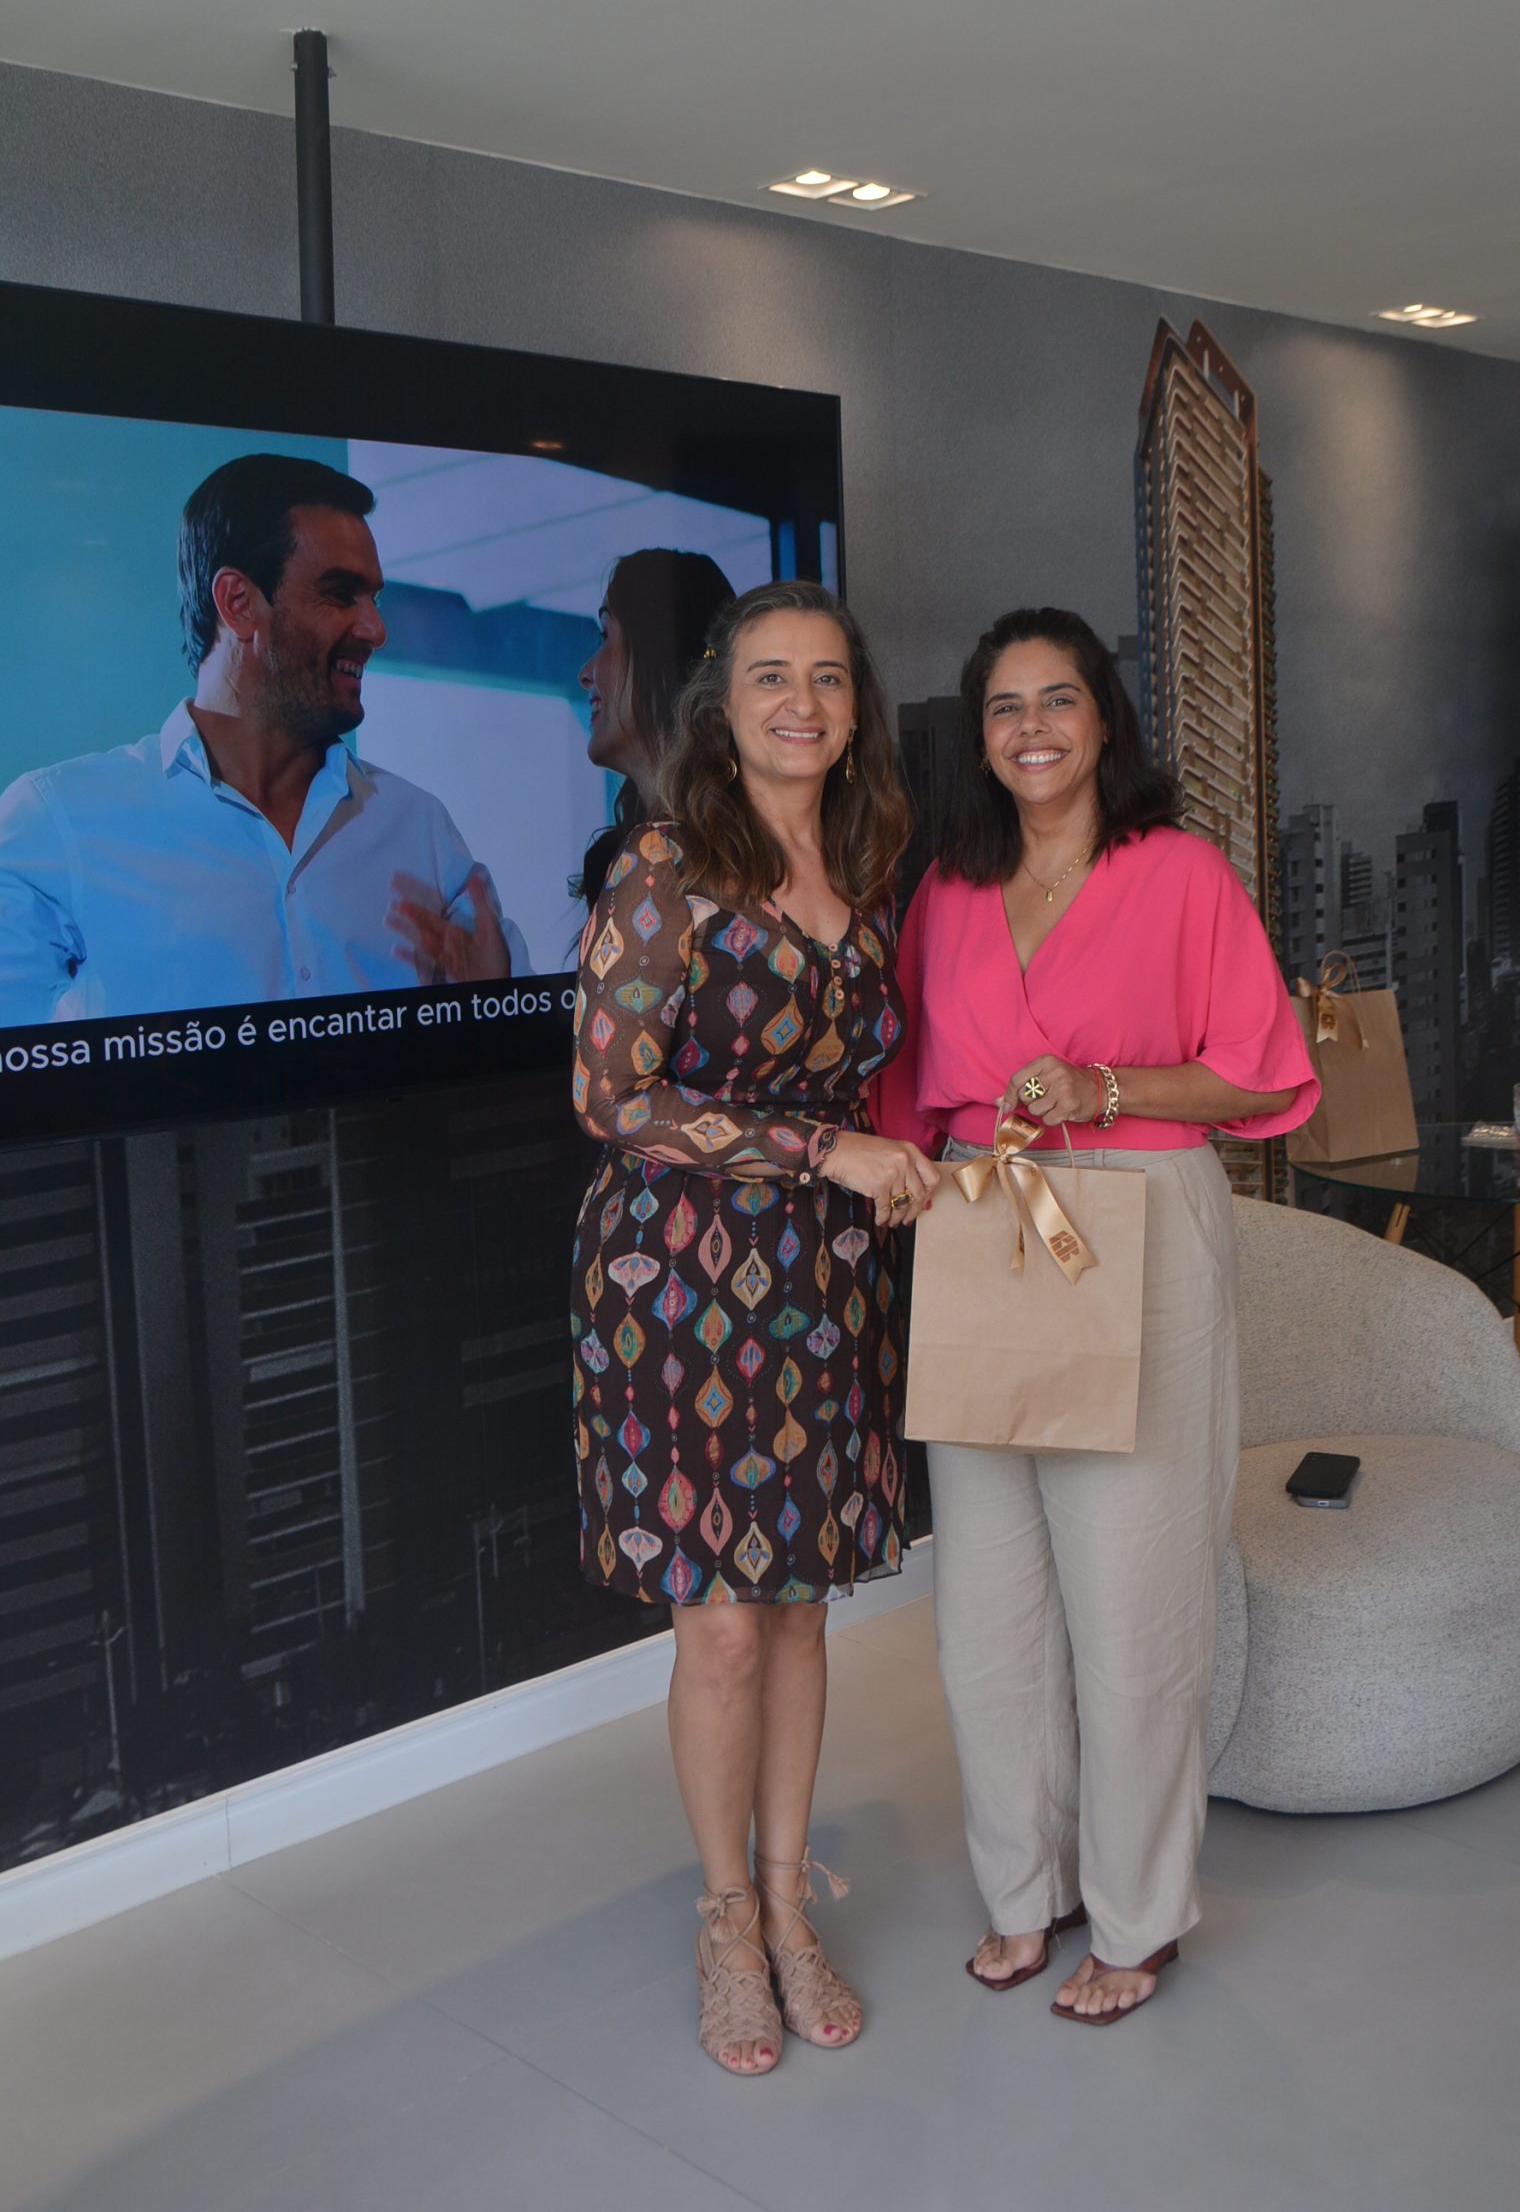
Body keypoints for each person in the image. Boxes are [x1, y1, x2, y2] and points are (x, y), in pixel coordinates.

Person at [874, 607, 1318, 2026]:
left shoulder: (1178, 872)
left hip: (1139, 1225)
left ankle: (1136, 1915)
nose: (1032, 729)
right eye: (1004, 707)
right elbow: (907, 1085)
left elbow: (1260, 1074)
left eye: (1057, 700)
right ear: (978, 735)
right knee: (986, 1609)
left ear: (1103, 718)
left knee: (1133, 1599)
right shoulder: (946, 889)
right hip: (980, 1226)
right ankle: (1028, 1890)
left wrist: (1106, 1088)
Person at [570, 578, 935, 2075]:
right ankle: (725, 1921)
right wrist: (820, 1149)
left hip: (823, 1281)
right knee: (719, 1621)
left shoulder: (873, 862)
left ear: (855, 710)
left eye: (829, 678)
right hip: (675, 1279)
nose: (802, 702)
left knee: (796, 1608)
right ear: (720, 703)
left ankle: (789, 1906)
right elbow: (611, 1096)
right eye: (771, 675)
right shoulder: (665, 866)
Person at [0, 453, 525, 1025]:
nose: (376, 630)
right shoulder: (58, 821)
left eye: (374, 599)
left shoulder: (420, 828)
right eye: (340, 594)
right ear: (238, 603)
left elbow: (514, 1044)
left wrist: (494, 1008)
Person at [573, 547, 736, 918]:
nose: (585, 674)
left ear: (659, 653)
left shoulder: (757, 857)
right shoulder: (614, 863)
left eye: (605, 635)